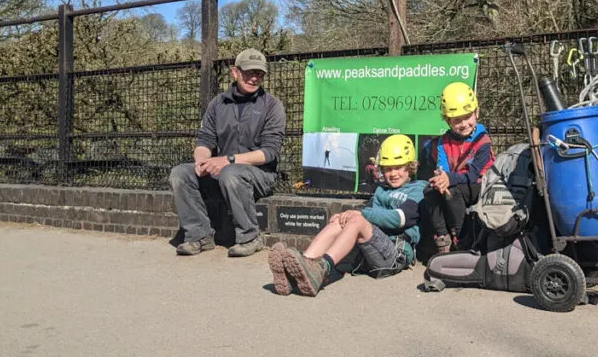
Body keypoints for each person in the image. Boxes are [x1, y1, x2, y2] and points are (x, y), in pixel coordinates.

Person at [268, 134, 427, 296]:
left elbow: (399, 219)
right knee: (341, 221)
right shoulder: (381, 190)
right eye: (387, 169)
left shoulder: (418, 189)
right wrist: (344, 217)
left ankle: (322, 268)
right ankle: (301, 268)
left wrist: (358, 214)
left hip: (394, 254)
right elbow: (368, 216)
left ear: (410, 166)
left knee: (356, 219)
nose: (393, 173)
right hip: (369, 252)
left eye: (398, 167)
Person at [168, 48, 286, 257]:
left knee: (231, 173)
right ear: (235, 72)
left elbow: (269, 153)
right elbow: (204, 140)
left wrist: (228, 160)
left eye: (259, 73)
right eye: (249, 72)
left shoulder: (272, 105)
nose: (254, 77)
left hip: (259, 175)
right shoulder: (217, 104)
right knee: (180, 173)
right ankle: (199, 236)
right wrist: (202, 161)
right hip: (223, 173)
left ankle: (250, 237)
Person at [423, 82, 495, 254]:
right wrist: (441, 178)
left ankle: (463, 240)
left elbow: (472, 175)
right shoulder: (443, 142)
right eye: (456, 120)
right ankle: (443, 239)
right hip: (456, 183)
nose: (463, 124)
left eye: (467, 116)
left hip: (481, 185)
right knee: (430, 190)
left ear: (476, 112)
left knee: (454, 191)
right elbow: (443, 167)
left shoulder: (483, 141)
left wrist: (448, 179)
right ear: (447, 121)